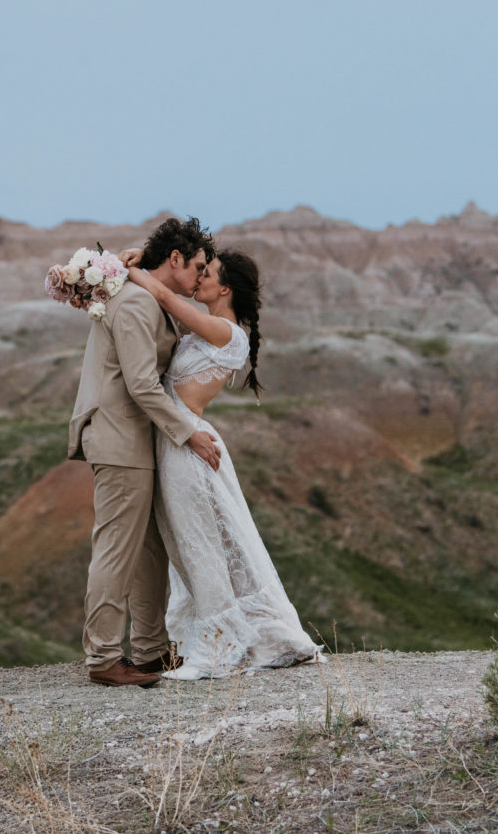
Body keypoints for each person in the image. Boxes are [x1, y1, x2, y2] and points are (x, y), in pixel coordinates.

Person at [121, 246, 321, 679]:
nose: (198, 279)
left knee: (201, 545)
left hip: (188, 447)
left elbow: (168, 299)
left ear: (224, 288)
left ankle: (216, 651)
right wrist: (149, 257)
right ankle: (212, 641)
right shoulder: (204, 331)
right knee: (185, 546)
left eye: (206, 273)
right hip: (175, 440)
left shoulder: (229, 334)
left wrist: (126, 270)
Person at [68, 217, 223, 688]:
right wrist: (189, 433)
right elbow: (140, 384)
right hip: (119, 440)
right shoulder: (134, 303)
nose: (201, 276)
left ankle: (153, 651)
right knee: (117, 550)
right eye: (197, 266)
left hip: (140, 441)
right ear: (174, 259)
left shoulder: (142, 294)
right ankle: (103, 658)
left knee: (149, 552)